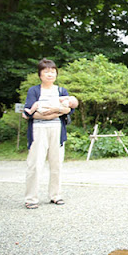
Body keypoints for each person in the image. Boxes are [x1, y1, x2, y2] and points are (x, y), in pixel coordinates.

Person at [22, 58, 77, 209]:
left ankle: (55, 195)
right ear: (40, 74)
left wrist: (54, 111)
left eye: (52, 72)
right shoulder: (34, 91)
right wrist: (55, 113)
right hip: (38, 131)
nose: (50, 75)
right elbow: (29, 113)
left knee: (56, 164)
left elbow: (69, 110)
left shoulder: (61, 91)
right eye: (46, 72)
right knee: (35, 164)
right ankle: (31, 198)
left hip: (57, 131)